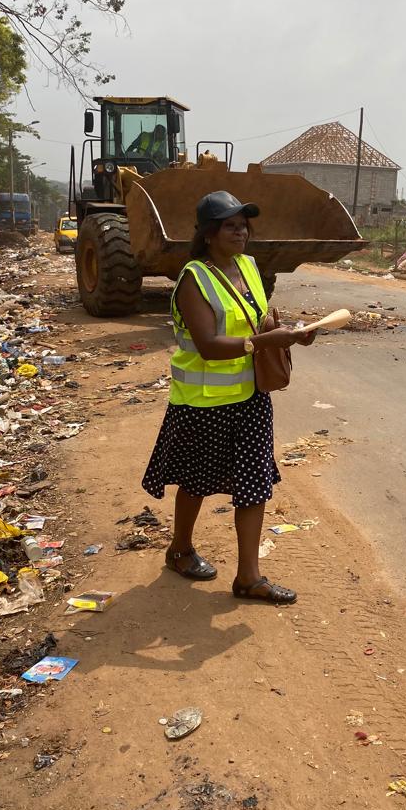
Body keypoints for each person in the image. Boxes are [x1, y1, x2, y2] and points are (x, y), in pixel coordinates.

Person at [142, 190, 316, 605]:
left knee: (254, 484)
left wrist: (291, 334)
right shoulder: (193, 279)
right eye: (230, 226)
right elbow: (207, 345)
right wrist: (265, 342)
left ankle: (249, 578)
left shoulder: (249, 267)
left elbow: (258, 321)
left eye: (243, 226)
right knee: (196, 482)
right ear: (208, 234)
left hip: (251, 397)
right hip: (202, 403)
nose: (240, 233)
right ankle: (180, 550)